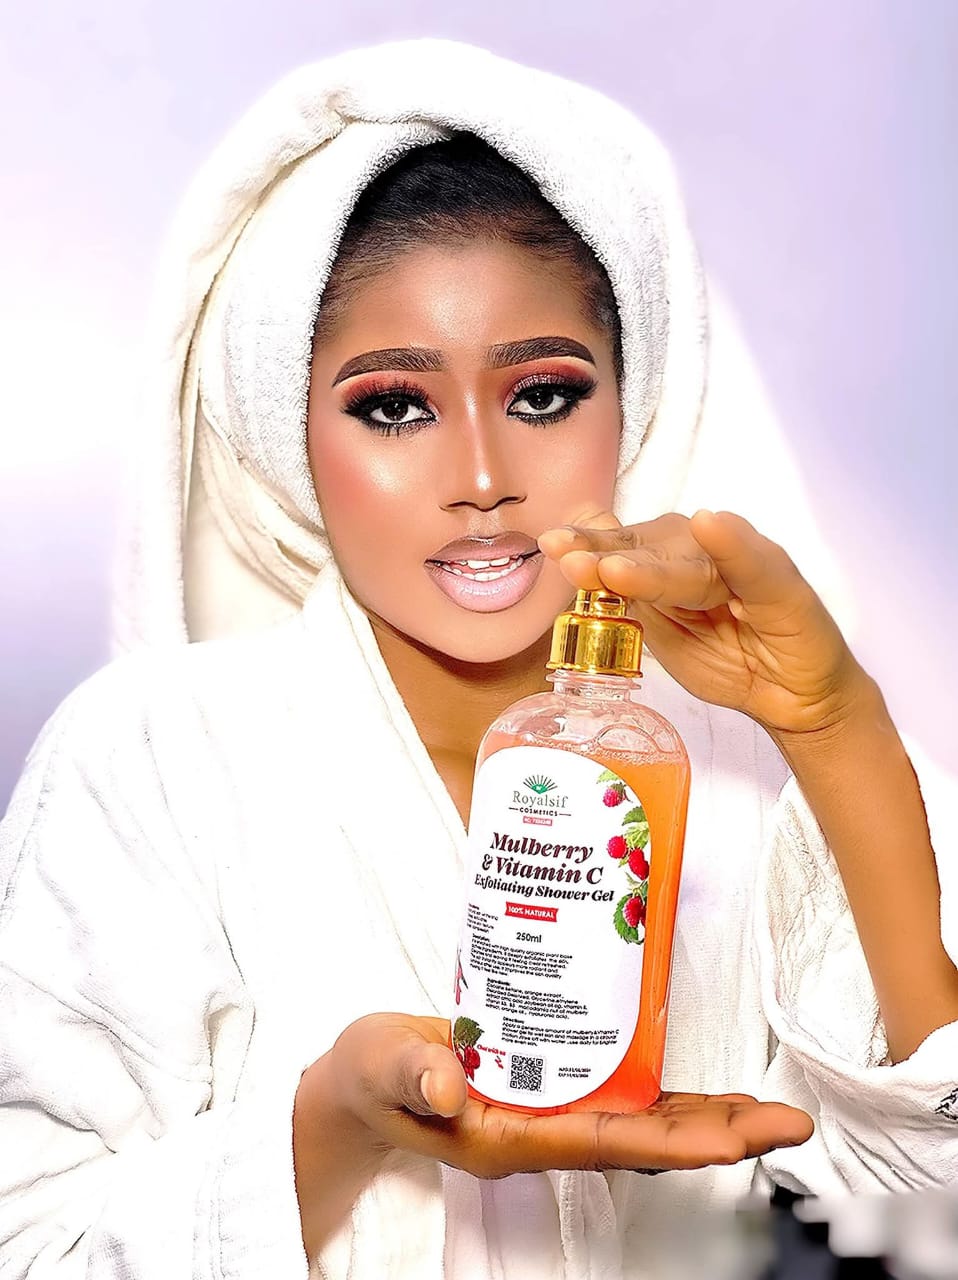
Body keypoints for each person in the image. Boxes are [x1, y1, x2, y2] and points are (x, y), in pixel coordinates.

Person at [1, 35, 956, 1280]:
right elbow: (31, 1242)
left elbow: (930, 1212)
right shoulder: (155, 756)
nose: (484, 478)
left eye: (543, 393)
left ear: (630, 404)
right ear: (290, 433)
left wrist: (839, 735)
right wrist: (332, 1121)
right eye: (393, 405)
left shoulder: (744, 764)